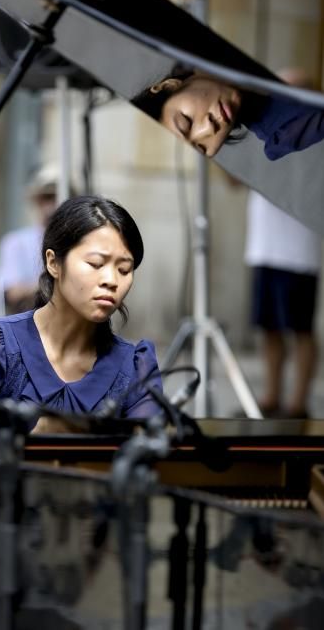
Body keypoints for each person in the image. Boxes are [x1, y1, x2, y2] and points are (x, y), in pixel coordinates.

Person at [0, 195, 162, 431]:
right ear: (53, 263)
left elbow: (151, 457)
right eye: (96, 264)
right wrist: (37, 439)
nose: (111, 280)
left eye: (124, 269)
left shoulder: (136, 367)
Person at [244, 70, 322, 419]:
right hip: (264, 245)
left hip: (298, 250)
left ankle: (297, 404)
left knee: (300, 328)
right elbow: (234, 181)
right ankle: (271, 397)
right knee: (269, 327)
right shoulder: (262, 130)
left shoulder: (317, 135)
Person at [133, 66, 324, 159]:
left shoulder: (185, 36)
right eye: (202, 148)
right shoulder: (284, 132)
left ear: (168, 86)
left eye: (186, 122)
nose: (208, 128)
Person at [0, 168, 59, 314]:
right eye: (48, 196)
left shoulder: (78, 243)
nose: (53, 204)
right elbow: (13, 294)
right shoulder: (15, 242)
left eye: (58, 196)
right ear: (37, 200)